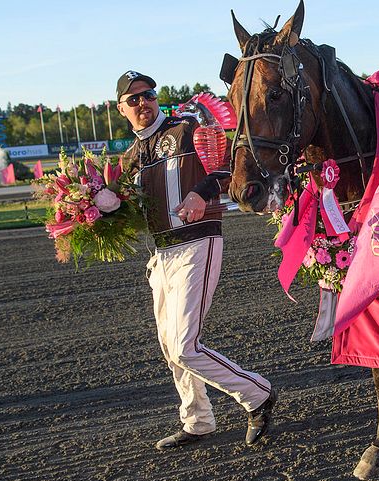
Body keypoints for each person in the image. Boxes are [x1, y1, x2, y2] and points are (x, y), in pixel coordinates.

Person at [115, 70, 276, 449]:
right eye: (133, 99)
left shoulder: (187, 129)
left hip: (196, 243)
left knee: (186, 345)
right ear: (121, 108)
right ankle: (198, 420)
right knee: (171, 347)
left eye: (148, 94)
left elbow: (228, 166)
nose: (143, 102)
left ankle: (258, 395)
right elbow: (125, 211)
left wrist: (201, 193)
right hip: (162, 254)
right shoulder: (130, 158)